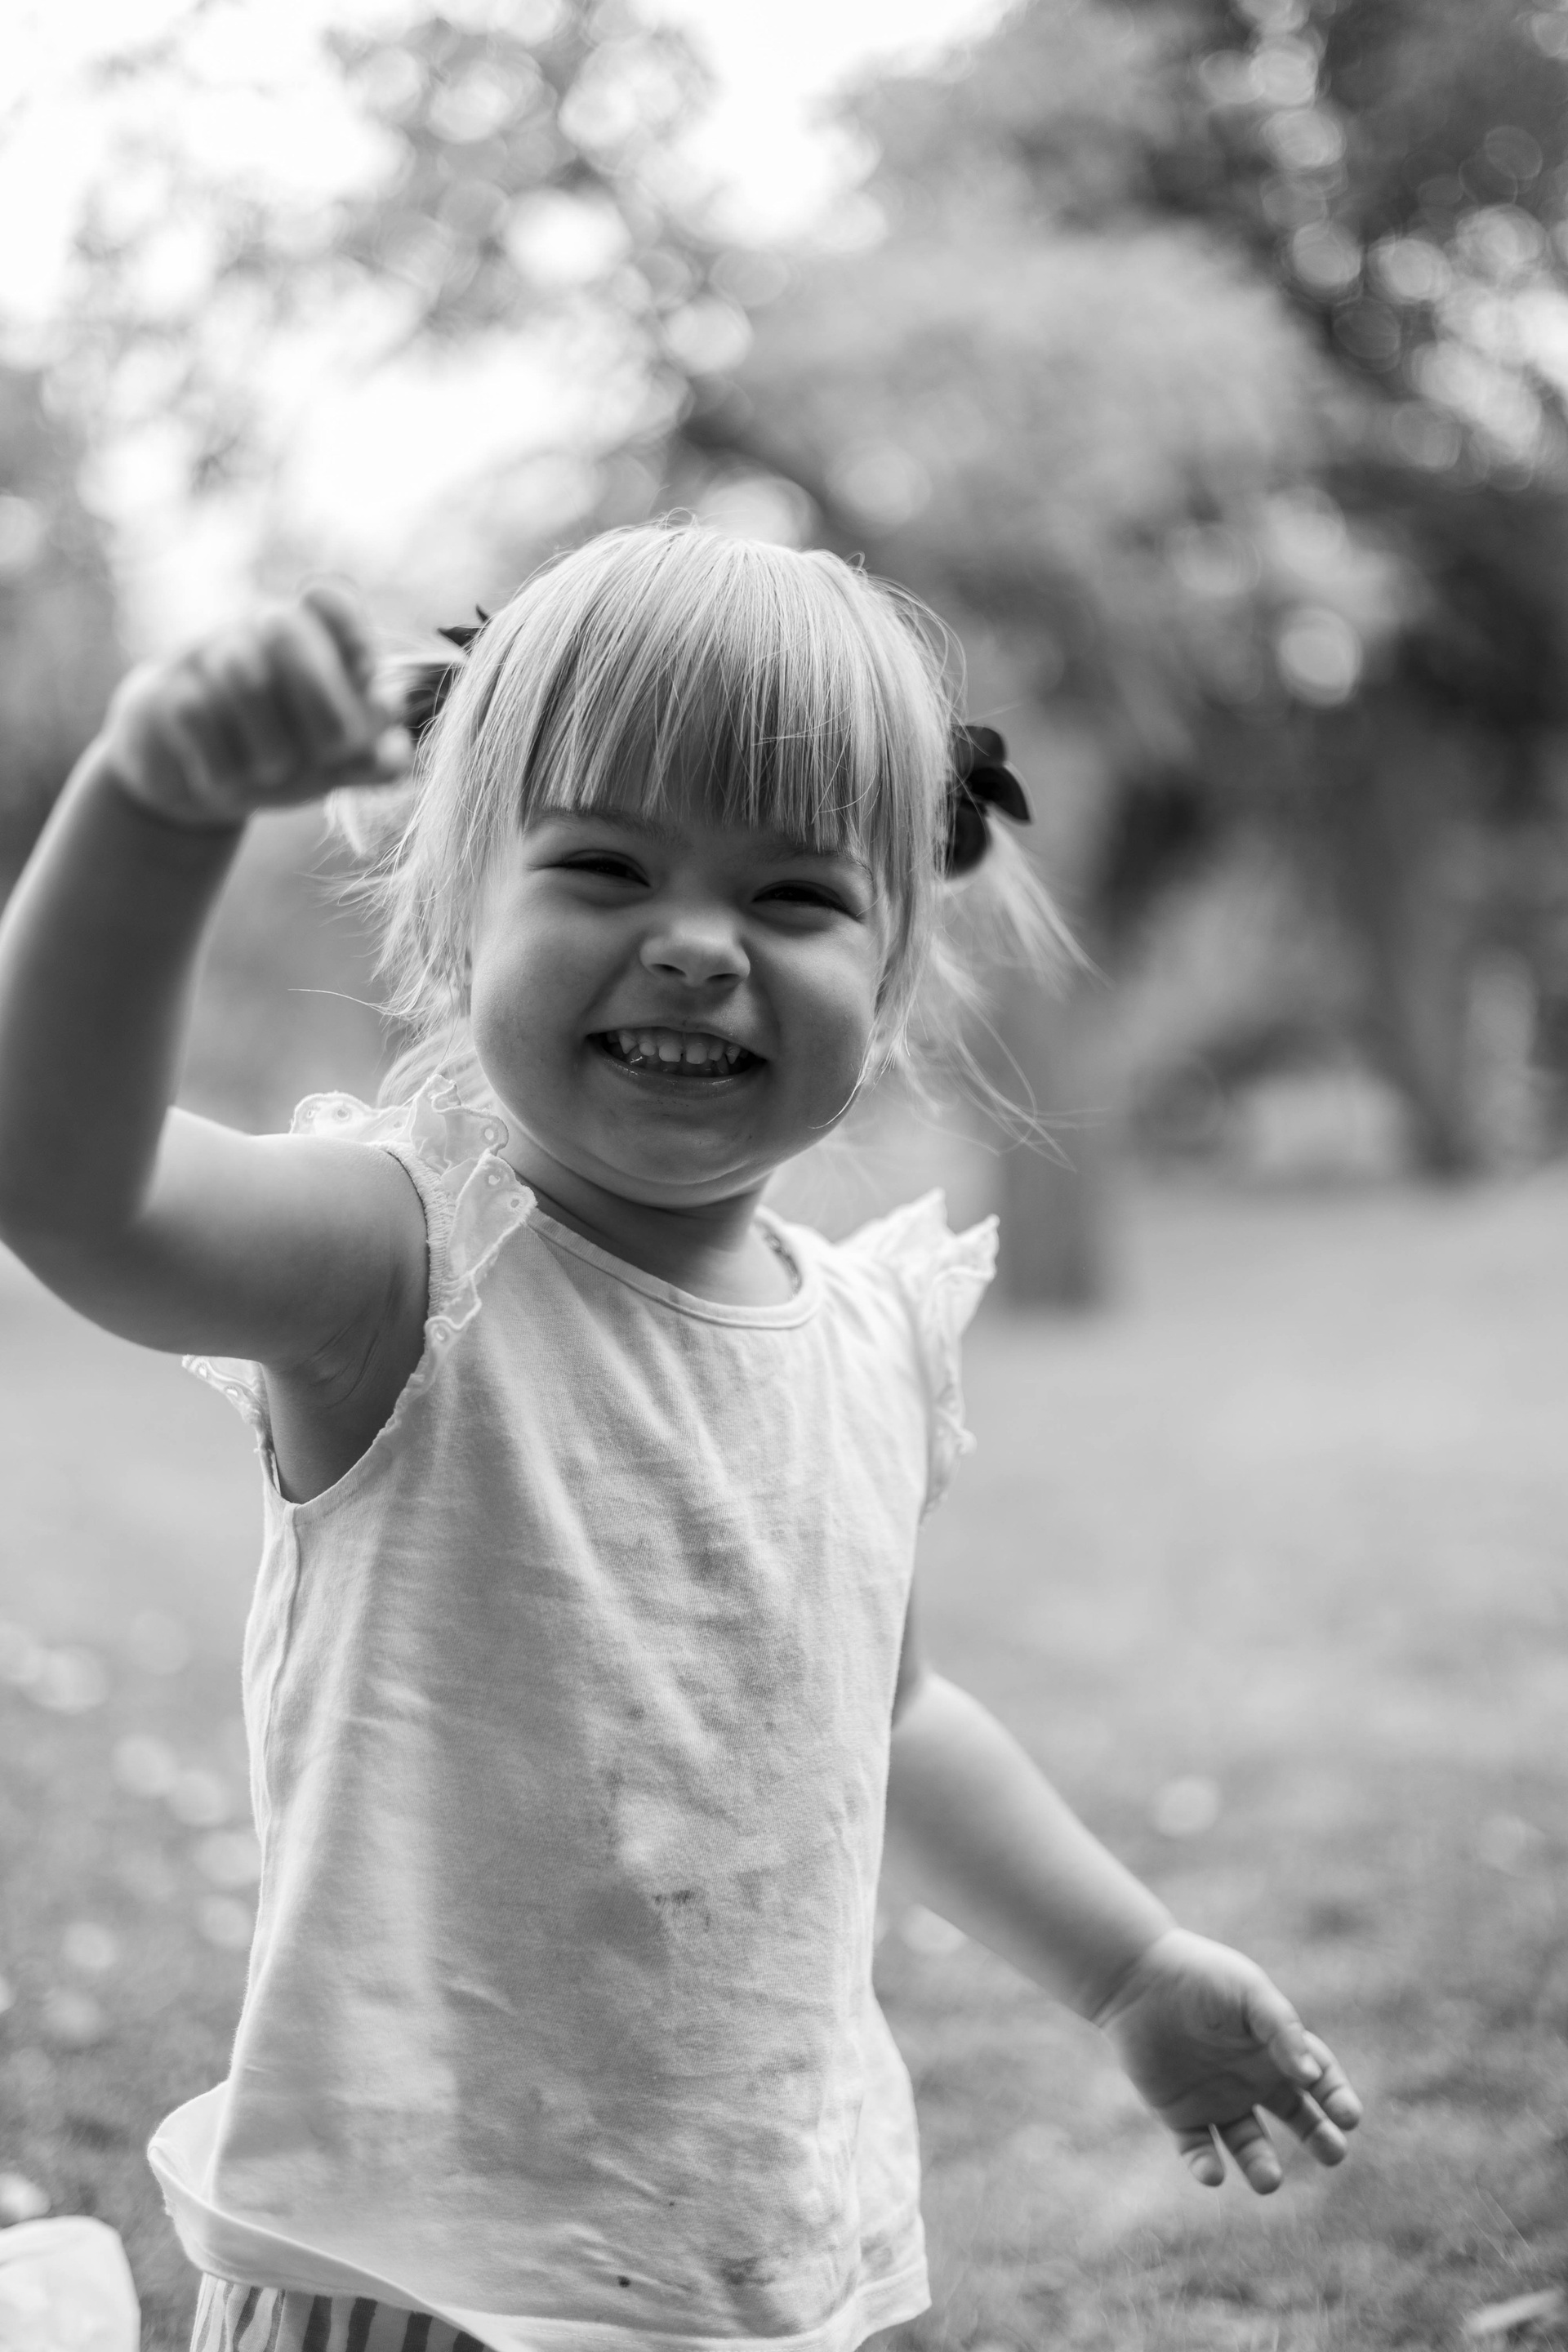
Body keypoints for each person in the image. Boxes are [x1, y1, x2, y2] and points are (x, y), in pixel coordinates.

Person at [0, 527, 1360, 2352]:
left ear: (892, 980)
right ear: (454, 919)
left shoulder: (867, 1341)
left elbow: (885, 1723)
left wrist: (1128, 1968)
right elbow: (66, 1183)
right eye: (604, 866)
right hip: (422, 2268)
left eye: (796, 896)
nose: (701, 945)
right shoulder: (408, 1267)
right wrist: (151, 812)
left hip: (751, 2252)